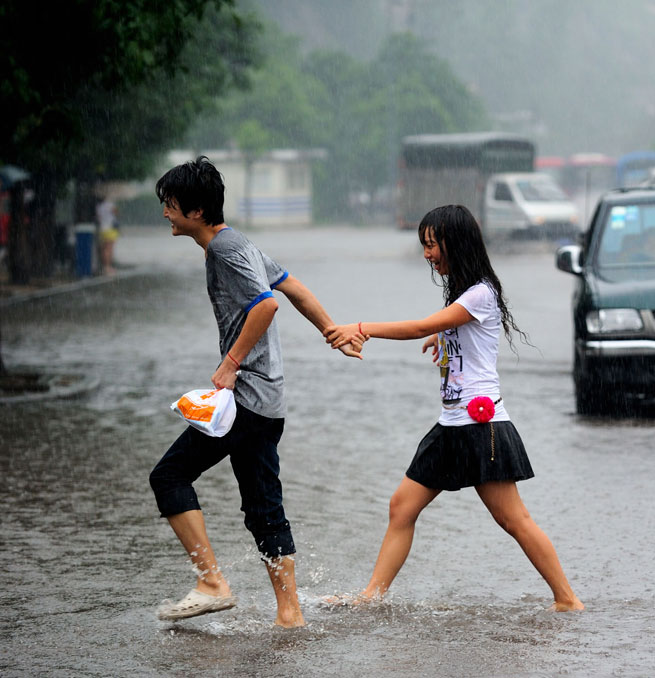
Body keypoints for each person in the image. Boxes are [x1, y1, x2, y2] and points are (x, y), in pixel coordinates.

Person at [323, 204, 584, 612]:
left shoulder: (480, 292)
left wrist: (362, 328)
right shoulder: (464, 297)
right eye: (423, 245)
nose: (427, 254)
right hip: (452, 425)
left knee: (513, 520)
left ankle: (568, 599)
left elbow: (420, 325)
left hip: (482, 427)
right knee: (401, 507)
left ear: (454, 244)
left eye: (432, 245)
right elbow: (446, 329)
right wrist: (444, 337)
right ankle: (370, 597)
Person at [148, 155, 362, 627]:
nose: (165, 213)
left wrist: (229, 364)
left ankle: (211, 582)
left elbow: (266, 305)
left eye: (171, 205)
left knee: (168, 477)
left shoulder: (225, 250)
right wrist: (333, 332)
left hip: (244, 401)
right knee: (264, 508)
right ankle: (290, 615)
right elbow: (295, 288)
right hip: (269, 404)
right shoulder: (237, 243)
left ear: (197, 212)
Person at [96, 196, 119, 275]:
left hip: (102, 229)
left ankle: (104, 267)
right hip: (110, 229)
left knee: (104, 249)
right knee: (109, 249)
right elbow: (116, 213)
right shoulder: (110, 205)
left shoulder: (99, 206)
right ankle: (108, 267)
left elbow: (99, 217)